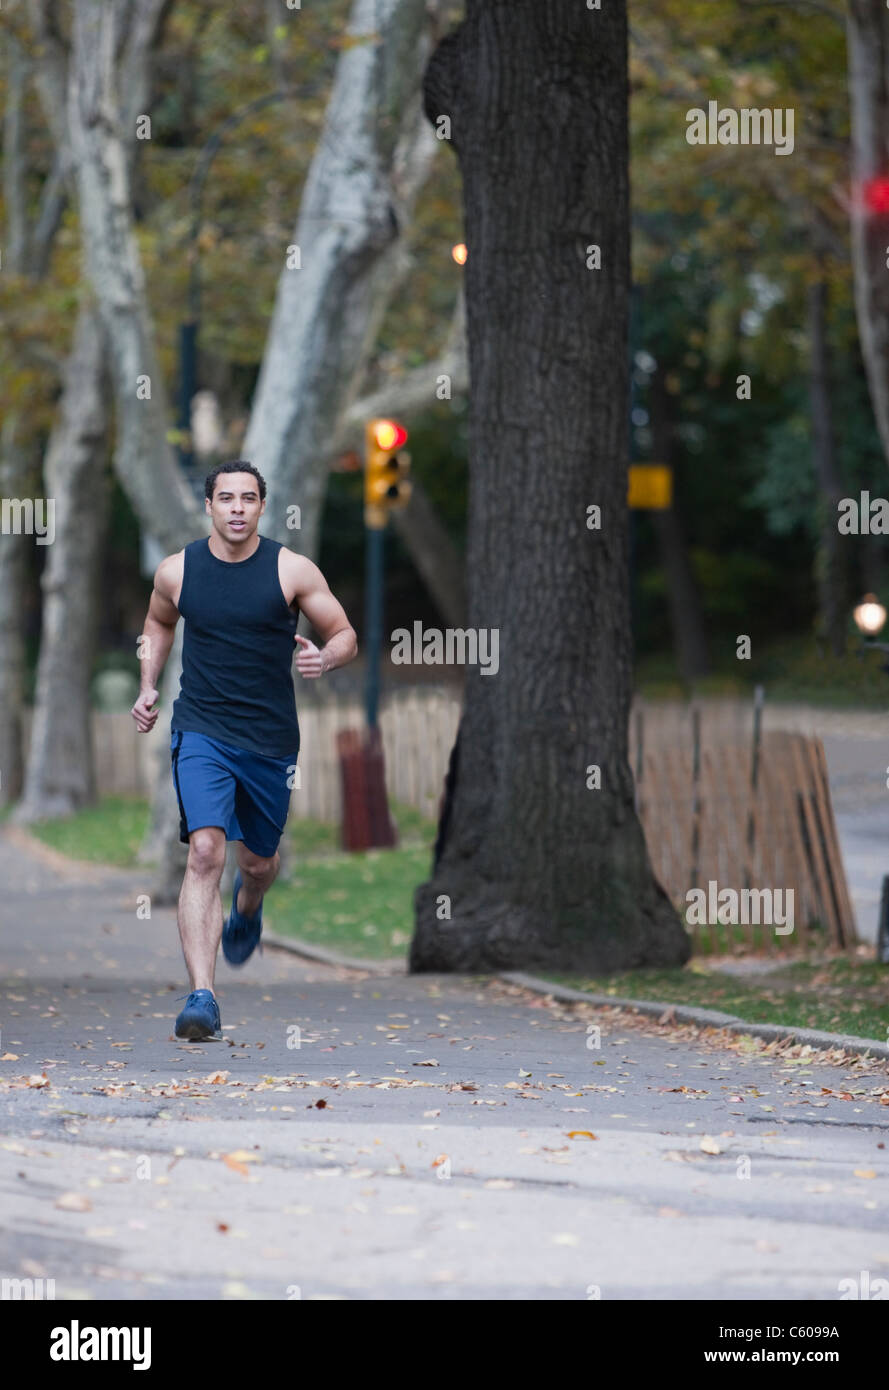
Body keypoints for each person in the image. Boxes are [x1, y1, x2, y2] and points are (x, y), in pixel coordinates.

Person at [131, 461, 357, 1041]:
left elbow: (345, 633)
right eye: (225, 498)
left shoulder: (291, 571)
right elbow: (157, 625)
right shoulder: (177, 572)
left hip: (270, 740)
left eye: (248, 498)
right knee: (205, 851)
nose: (236, 508)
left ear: (262, 507)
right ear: (208, 505)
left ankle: (249, 907)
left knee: (256, 862)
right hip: (201, 729)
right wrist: (149, 682)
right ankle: (202, 997)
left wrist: (323, 658)